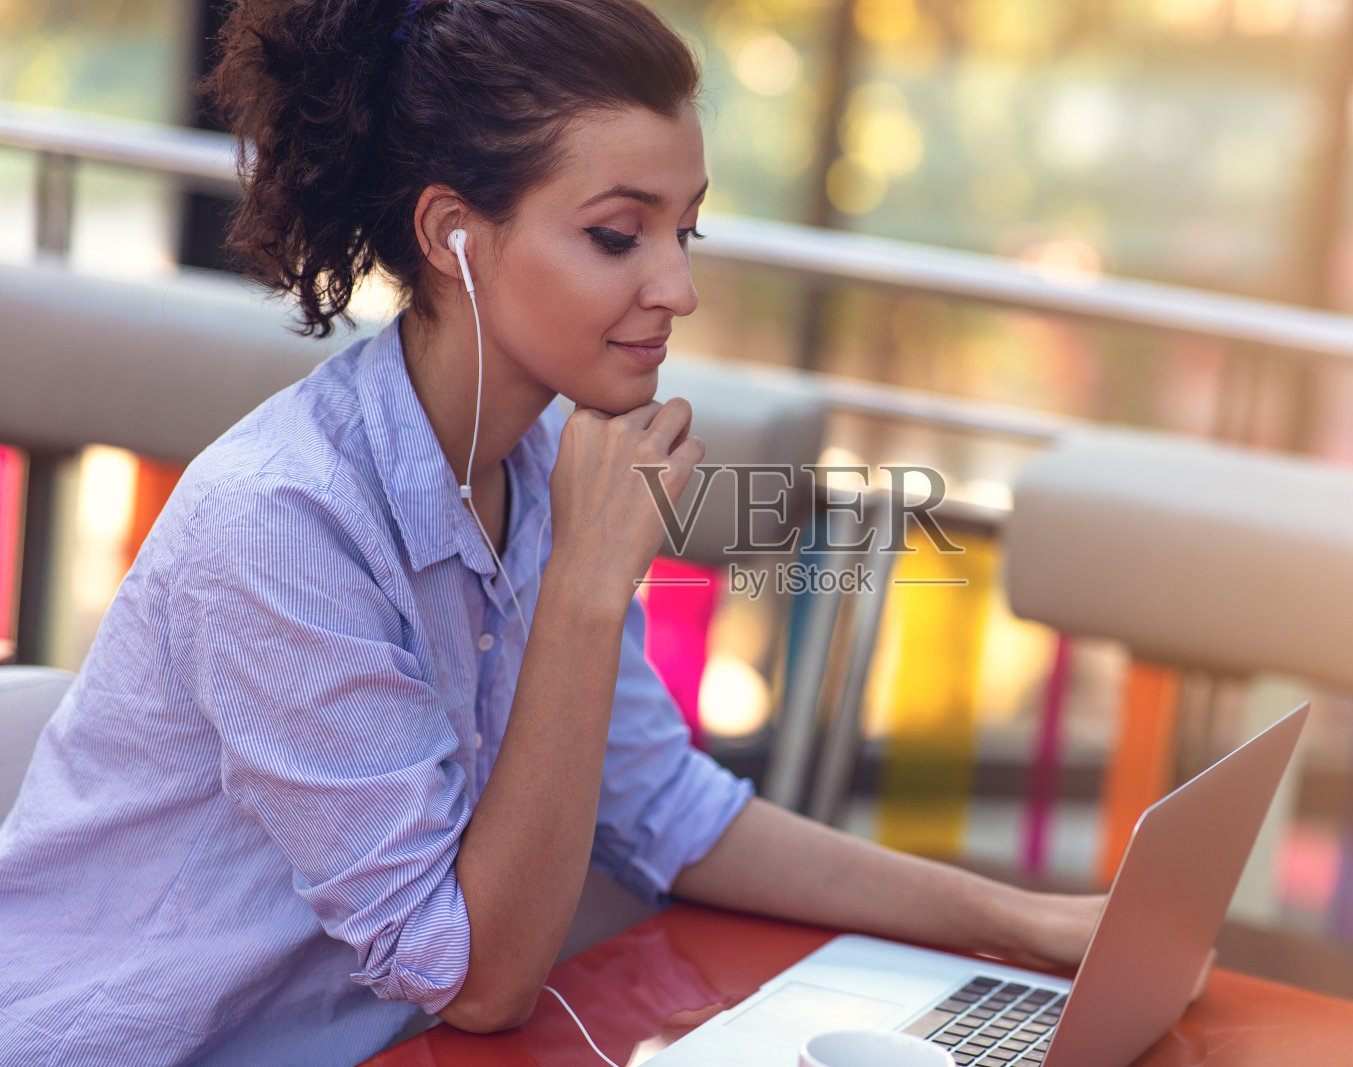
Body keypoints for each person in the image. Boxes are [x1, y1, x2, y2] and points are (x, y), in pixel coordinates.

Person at [0, 0, 1102, 1063]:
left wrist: (1025, 925)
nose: (677, 285)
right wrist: (587, 579)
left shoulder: (535, 465)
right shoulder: (282, 525)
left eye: (685, 229)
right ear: (453, 235)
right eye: (617, 235)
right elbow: (477, 979)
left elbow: (665, 807)